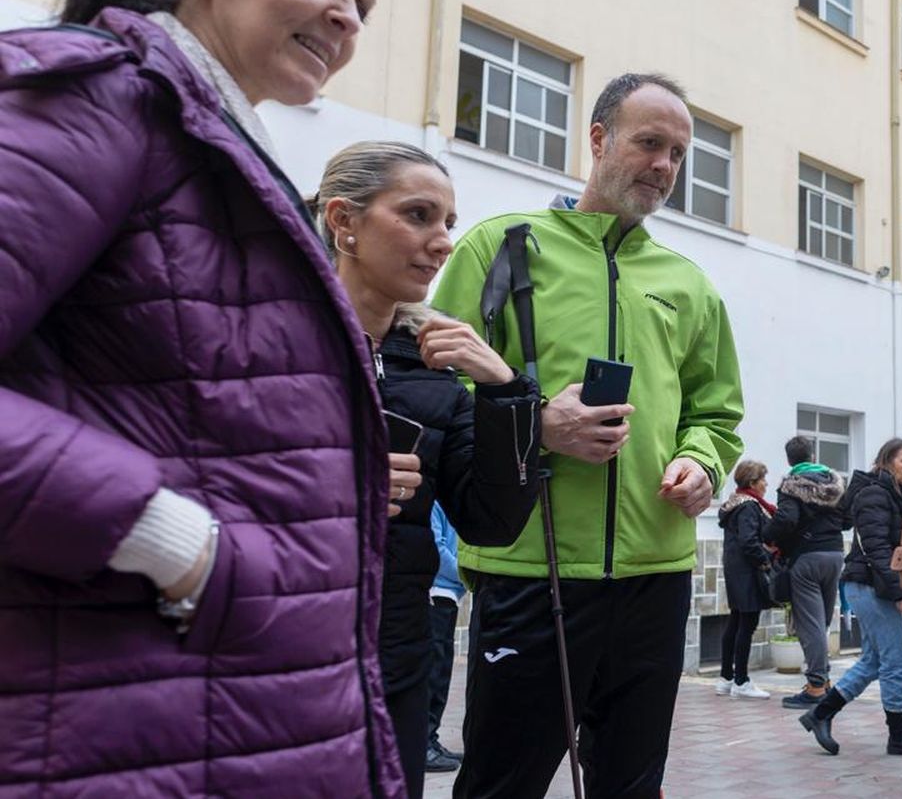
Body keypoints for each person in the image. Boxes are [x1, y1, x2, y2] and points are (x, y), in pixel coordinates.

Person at [0, 0, 405, 794]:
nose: (347, 17)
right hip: (130, 722)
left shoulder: (219, 148)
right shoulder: (98, 102)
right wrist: (177, 542)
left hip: (232, 716)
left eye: (364, 4)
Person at [430, 73, 745, 798]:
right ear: (598, 139)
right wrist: (535, 425)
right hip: (527, 569)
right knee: (501, 785)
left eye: (678, 153)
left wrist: (702, 463)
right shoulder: (501, 247)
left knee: (632, 785)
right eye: (649, 143)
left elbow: (715, 412)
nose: (664, 165)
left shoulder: (689, 283)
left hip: (655, 576)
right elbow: (439, 390)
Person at [308, 140, 540, 797]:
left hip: (396, 662)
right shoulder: (274, 335)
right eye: (418, 215)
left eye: (448, 222)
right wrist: (331, 483)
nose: (442, 243)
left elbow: (493, 521)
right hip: (282, 652)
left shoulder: (435, 371)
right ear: (344, 220)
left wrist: (504, 389)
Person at [799, 438, 902, 757]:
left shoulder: (896, 495)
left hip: (876, 586)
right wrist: (900, 591)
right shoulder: (874, 494)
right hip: (869, 587)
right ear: (886, 461)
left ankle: (820, 714)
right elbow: (876, 548)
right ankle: (898, 734)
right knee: (896, 659)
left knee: (873, 661)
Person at [762, 451, 848, 709]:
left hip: (807, 559)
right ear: (811, 455)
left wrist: (768, 536)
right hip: (835, 555)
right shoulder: (834, 483)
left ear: (790, 460)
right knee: (821, 622)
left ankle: (816, 687)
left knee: (810, 625)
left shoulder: (791, 484)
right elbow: (848, 519)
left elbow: (786, 519)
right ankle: (825, 681)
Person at [716, 459, 778, 699]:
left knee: (735, 622)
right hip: (748, 572)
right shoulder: (750, 506)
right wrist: (765, 561)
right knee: (747, 625)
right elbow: (749, 541)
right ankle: (741, 681)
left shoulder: (735, 503)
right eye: (763, 479)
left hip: (736, 570)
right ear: (752, 482)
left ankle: (726, 678)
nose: (766, 484)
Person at [426, 504, 466, 773]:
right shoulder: (433, 504)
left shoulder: (451, 502)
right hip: (435, 594)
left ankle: (431, 739)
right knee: (433, 672)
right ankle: (423, 745)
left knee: (441, 673)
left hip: (449, 596)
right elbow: (436, 550)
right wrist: (466, 574)